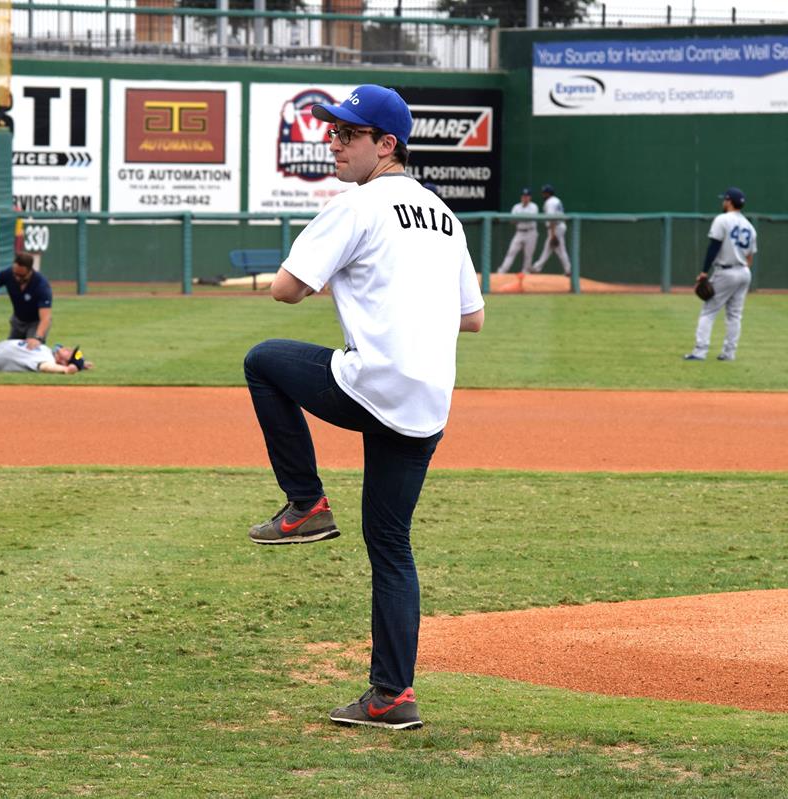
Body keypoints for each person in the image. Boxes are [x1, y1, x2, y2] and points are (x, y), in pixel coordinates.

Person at [243, 85, 485, 731]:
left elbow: (287, 292)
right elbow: (474, 318)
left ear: (387, 145)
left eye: (349, 133)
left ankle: (306, 503)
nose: (336, 140)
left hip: (371, 382)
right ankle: (391, 697)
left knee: (264, 360)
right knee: (391, 545)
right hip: (427, 401)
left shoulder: (361, 204)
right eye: (335, 130)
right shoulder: (446, 216)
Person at [684, 187, 757, 362]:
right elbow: (750, 258)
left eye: (724, 200)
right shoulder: (750, 226)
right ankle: (729, 353)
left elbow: (714, 246)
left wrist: (703, 272)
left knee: (708, 312)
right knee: (734, 315)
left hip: (726, 271)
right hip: (744, 272)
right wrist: (741, 271)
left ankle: (700, 352)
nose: (722, 202)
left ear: (729, 201)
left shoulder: (722, 219)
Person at [528, 183, 572, 279]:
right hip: (559, 226)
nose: (543, 194)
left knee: (558, 249)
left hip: (555, 227)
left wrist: (552, 234)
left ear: (548, 193)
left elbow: (551, 218)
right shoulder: (556, 200)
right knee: (552, 249)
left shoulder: (550, 202)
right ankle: (537, 267)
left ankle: (568, 270)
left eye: (544, 192)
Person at [496, 187, 539, 278]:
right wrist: (520, 218)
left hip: (531, 232)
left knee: (528, 255)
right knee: (511, 252)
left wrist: (519, 218)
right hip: (519, 232)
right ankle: (502, 271)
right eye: (524, 196)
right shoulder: (516, 207)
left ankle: (525, 273)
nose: (525, 197)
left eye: (527, 196)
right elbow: (512, 221)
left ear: (530, 197)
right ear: (521, 197)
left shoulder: (534, 206)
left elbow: (530, 218)